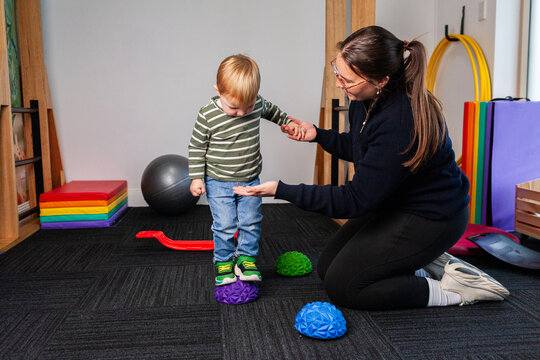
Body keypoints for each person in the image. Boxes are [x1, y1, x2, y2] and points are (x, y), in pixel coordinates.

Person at [233, 26, 509, 309]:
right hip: (395, 203)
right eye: (336, 70)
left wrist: (282, 190)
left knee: (346, 286)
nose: (340, 83)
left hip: (434, 217)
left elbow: (354, 200)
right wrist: (317, 134)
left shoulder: (401, 121)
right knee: (328, 268)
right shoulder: (364, 98)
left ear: (381, 79)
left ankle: (456, 290)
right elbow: (362, 147)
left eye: (348, 79)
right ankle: (417, 260)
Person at [189, 54, 301, 286]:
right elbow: (197, 146)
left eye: (248, 107)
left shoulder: (256, 103)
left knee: (251, 221)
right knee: (225, 225)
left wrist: (286, 122)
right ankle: (223, 261)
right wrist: (197, 177)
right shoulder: (207, 115)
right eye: (234, 108)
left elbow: (272, 111)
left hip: (251, 178)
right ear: (218, 90)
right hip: (218, 181)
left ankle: (246, 258)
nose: (242, 113)